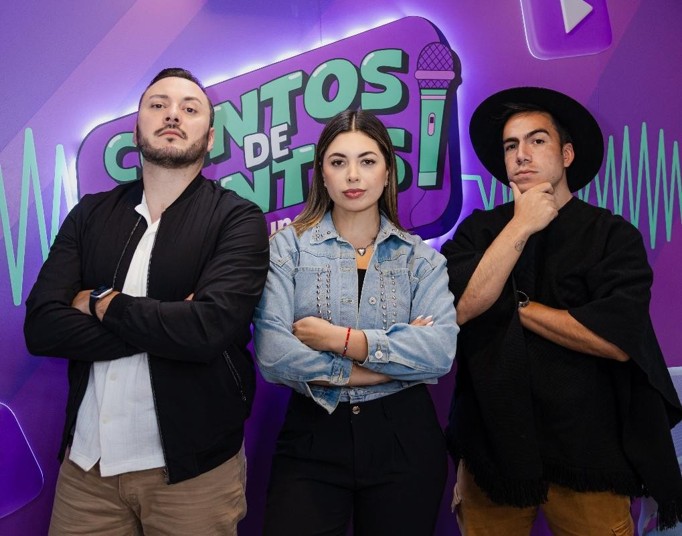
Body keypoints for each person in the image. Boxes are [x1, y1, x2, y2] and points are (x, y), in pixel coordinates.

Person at [24, 67, 269, 535]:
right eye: (158, 105)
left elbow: (207, 331)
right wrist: (172, 323)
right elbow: (42, 327)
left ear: (210, 138)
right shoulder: (90, 213)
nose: (172, 115)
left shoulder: (237, 219)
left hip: (195, 474)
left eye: (189, 109)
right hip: (87, 471)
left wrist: (102, 303)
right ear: (136, 130)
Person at [442, 86, 682, 535]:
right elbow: (460, 308)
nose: (521, 154)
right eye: (511, 145)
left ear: (566, 154)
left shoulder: (611, 235)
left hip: (588, 453)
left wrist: (514, 305)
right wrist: (522, 224)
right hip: (492, 451)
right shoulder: (478, 231)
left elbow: (616, 340)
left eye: (537, 140)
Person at [253, 109, 458, 535]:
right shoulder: (286, 250)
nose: (352, 175)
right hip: (312, 433)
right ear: (321, 175)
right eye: (338, 162)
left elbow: (438, 354)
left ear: (388, 173)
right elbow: (273, 355)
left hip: (405, 441)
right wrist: (387, 368)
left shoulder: (421, 260)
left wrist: (337, 338)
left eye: (367, 161)